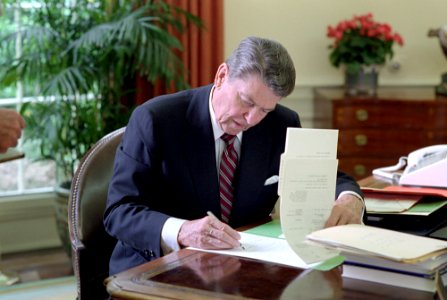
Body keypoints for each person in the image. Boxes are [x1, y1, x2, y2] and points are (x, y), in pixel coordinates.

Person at [104, 36, 364, 275]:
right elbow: (119, 211)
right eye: (247, 101)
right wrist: (182, 230)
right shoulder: (156, 120)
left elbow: (330, 178)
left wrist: (350, 199)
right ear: (221, 75)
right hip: (158, 269)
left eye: (264, 109)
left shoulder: (280, 124)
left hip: (240, 269)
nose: (252, 119)